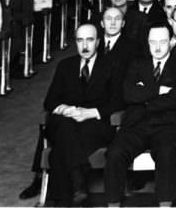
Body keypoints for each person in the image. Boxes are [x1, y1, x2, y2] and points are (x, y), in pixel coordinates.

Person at [103, 25, 176, 208]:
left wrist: (144, 97)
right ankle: (113, 204)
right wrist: (159, 91)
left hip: (167, 126)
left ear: (171, 42)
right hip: (137, 124)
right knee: (115, 152)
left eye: (162, 42)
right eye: (153, 42)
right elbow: (128, 93)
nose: (157, 47)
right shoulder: (137, 64)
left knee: (167, 151)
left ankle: (165, 204)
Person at [41, 23, 118, 206]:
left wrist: (89, 113)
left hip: (95, 124)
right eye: (80, 40)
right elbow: (50, 101)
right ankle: (78, 183)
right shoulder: (65, 65)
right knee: (66, 127)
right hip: (67, 121)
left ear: (98, 42)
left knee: (61, 147)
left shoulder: (111, 66)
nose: (85, 45)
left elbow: (117, 101)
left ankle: (64, 198)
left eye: (90, 40)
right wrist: (68, 110)